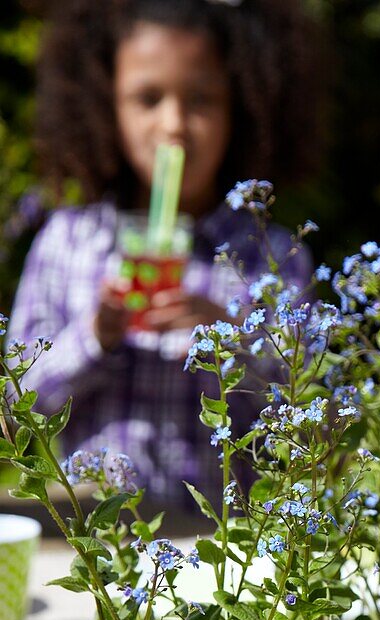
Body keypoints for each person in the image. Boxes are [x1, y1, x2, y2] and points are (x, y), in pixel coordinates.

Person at [8, 0, 321, 509]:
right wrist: (96, 337)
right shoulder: (68, 241)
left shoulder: (272, 254)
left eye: (201, 99)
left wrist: (231, 340)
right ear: (104, 104)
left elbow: (305, 413)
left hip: (225, 555)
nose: (174, 124)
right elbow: (16, 412)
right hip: (95, 544)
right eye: (147, 98)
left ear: (238, 108)